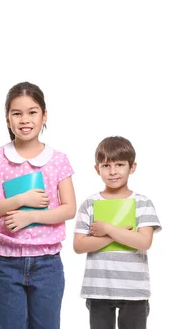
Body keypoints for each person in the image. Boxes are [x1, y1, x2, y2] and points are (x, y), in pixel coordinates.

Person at [0, 82, 76, 328]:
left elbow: (69, 208)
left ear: (44, 116)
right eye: (17, 113)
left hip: (47, 262)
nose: (25, 119)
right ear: (7, 119)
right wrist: (20, 201)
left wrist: (29, 218)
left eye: (32, 112)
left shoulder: (58, 160)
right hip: (7, 261)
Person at [73, 136, 161, 329]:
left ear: (132, 167)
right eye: (106, 166)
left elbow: (144, 242)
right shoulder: (90, 203)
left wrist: (108, 229)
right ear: (97, 169)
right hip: (99, 289)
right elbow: (79, 245)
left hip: (134, 289)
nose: (113, 172)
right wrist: (112, 235)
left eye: (119, 164)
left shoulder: (143, 203)